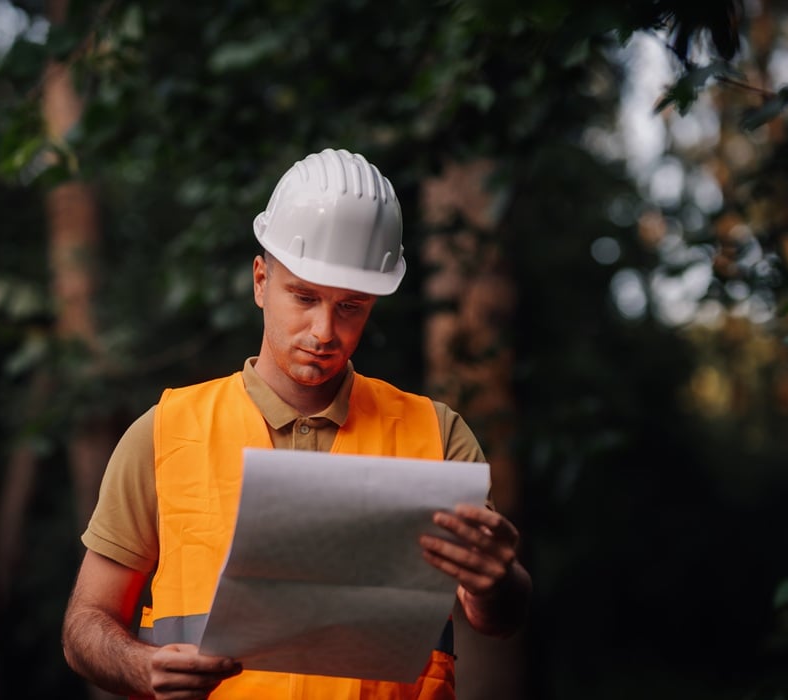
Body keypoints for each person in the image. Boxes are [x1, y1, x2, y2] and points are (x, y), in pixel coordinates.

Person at [62, 148, 532, 700]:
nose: (323, 330)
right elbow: (84, 626)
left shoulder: (435, 434)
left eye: (351, 306)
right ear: (261, 280)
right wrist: (141, 667)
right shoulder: (165, 433)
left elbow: (495, 616)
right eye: (303, 297)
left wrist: (495, 580)